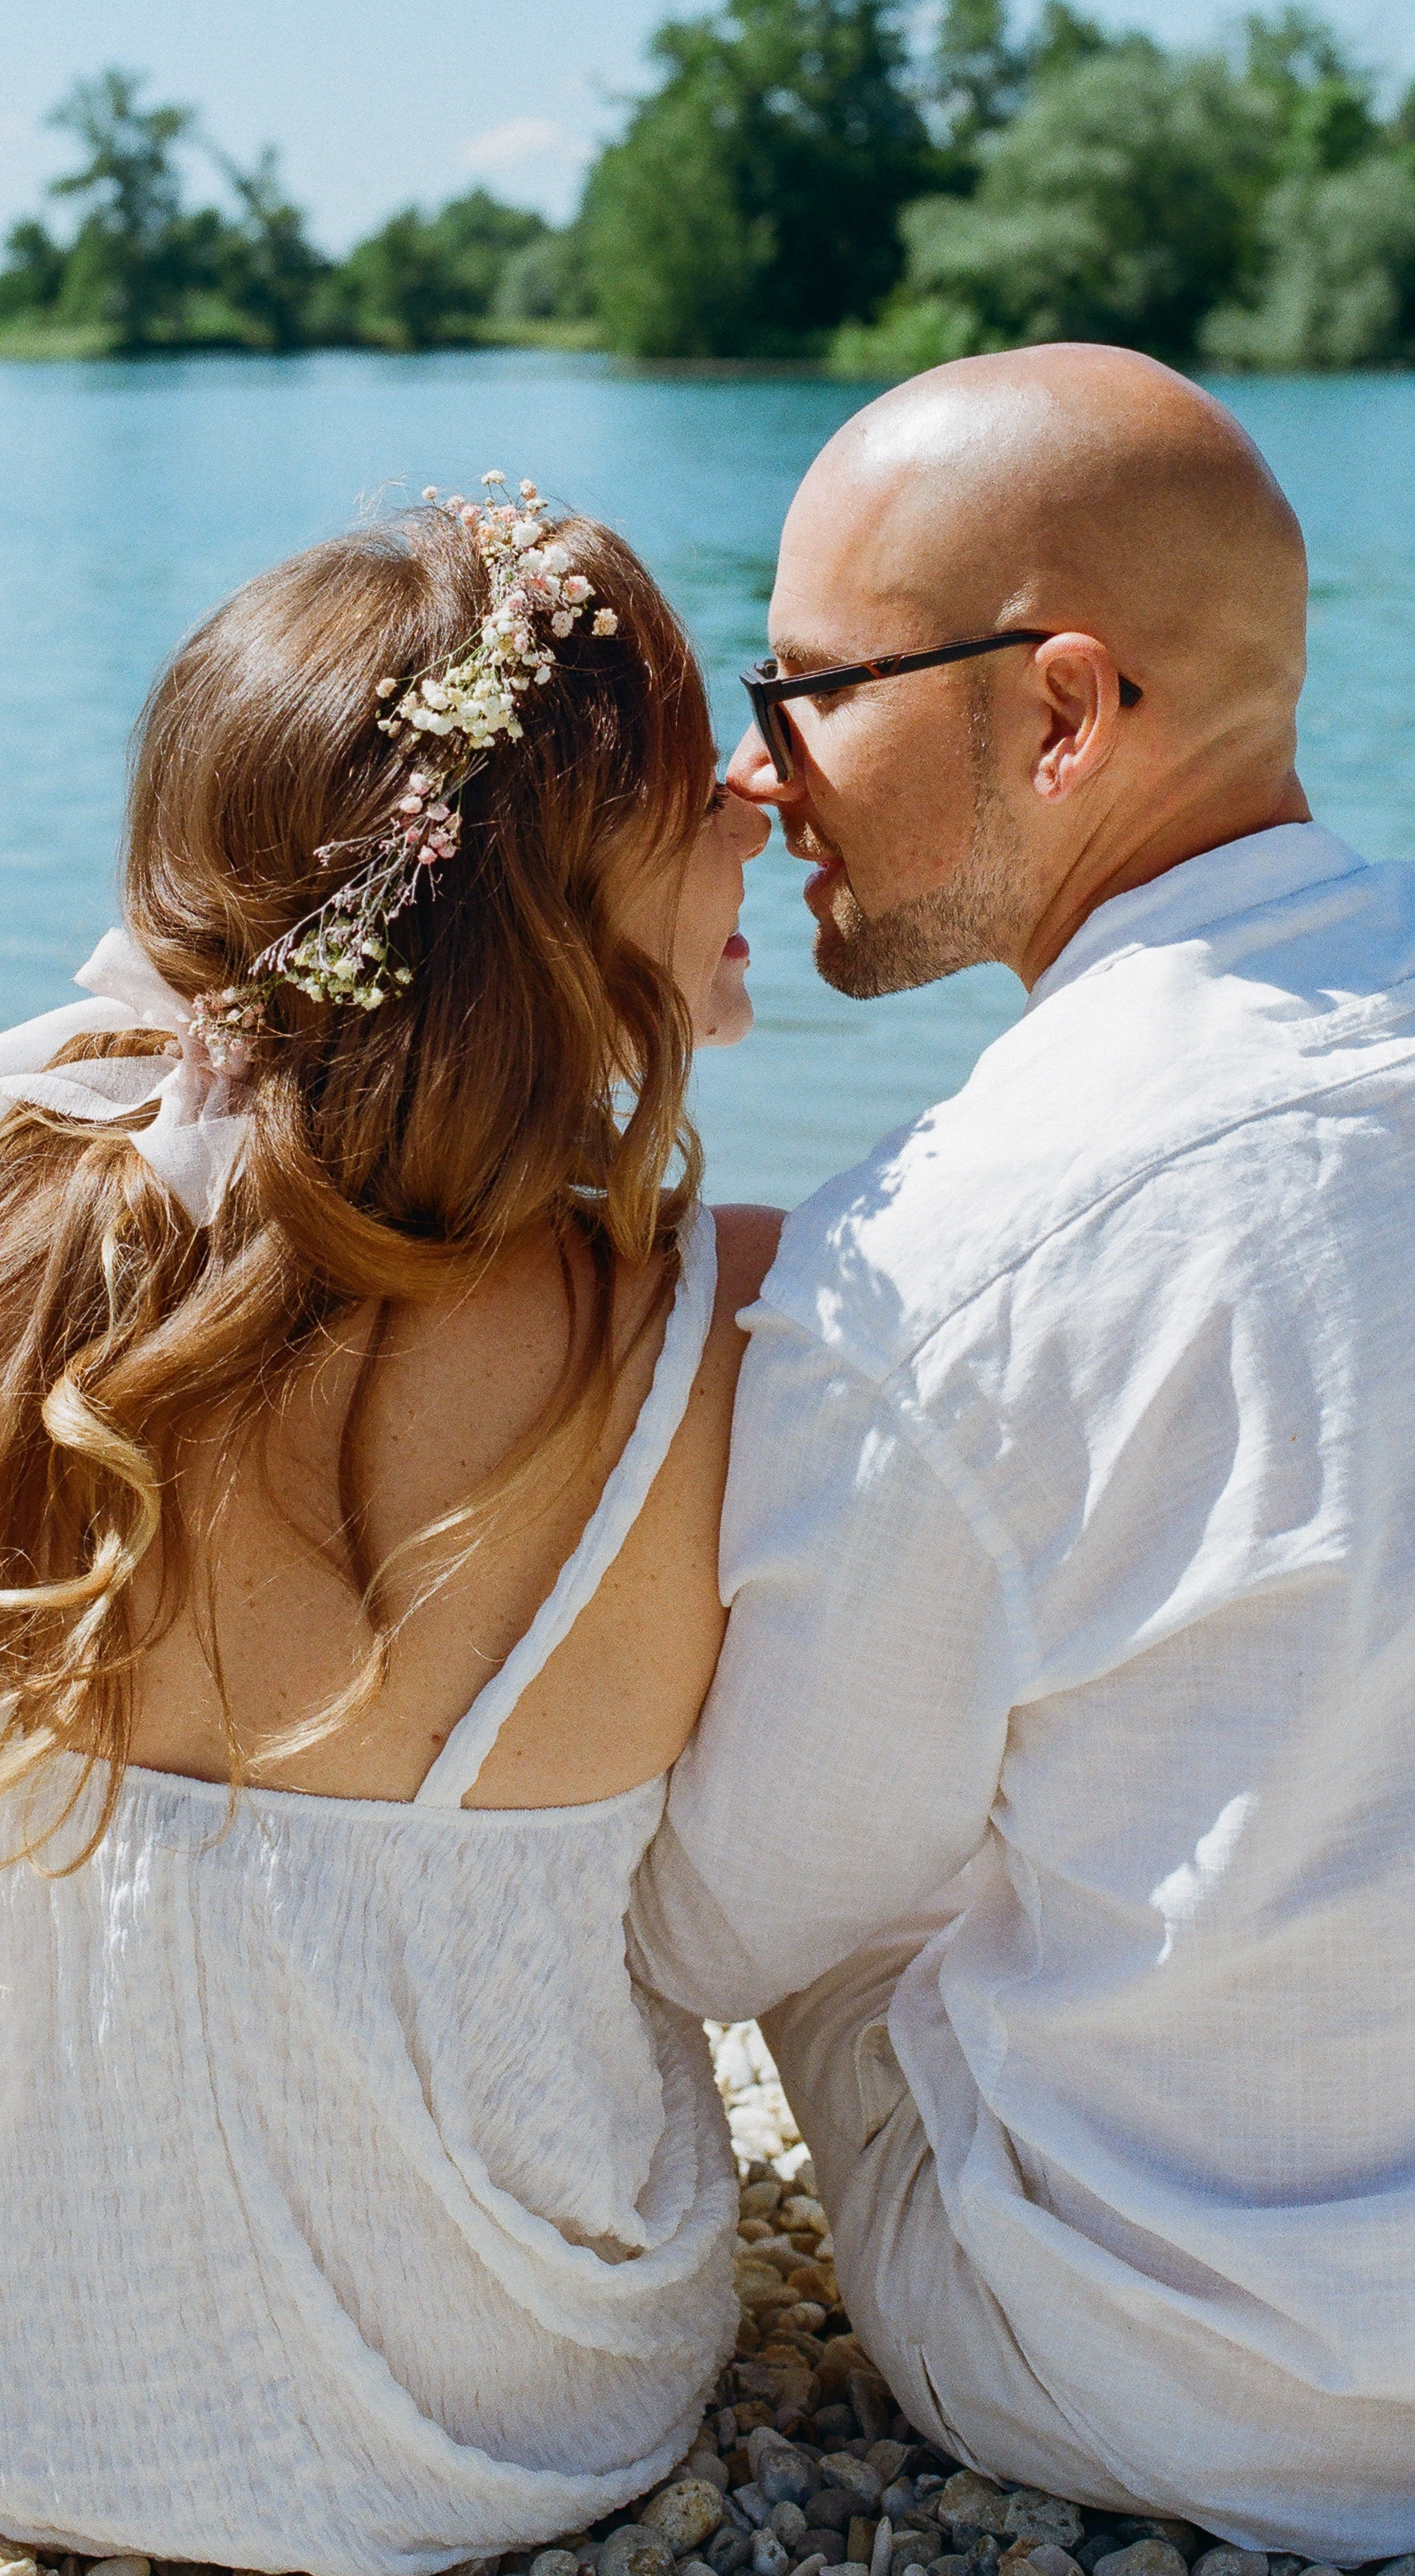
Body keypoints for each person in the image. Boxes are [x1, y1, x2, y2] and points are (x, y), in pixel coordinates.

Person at [0, 481, 777, 2575]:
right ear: (539, 892)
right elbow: (762, 1909)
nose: (757, 788)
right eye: (680, 773)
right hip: (493, 2403)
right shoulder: (724, 1331)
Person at [629, 346, 1415, 2557]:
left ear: (1059, 714)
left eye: (806, 694)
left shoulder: (954, 1251)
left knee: (848, 1843)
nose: (756, 783)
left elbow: (710, 1916)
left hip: (1214, 2382)